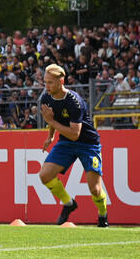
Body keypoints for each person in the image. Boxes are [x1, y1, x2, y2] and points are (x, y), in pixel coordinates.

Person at [38, 64, 109, 227]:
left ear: (61, 81)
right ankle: (69, 203)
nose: (46, 86)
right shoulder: (46, 98)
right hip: (66, 142)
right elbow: (52, 118)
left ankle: (102, 215)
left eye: (50, 82)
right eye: (45, 82)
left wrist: (52, 123)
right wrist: (50, 136)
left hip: (87, 144)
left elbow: (74, 133)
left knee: (95, 189)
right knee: (45, 175)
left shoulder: (74, 102)